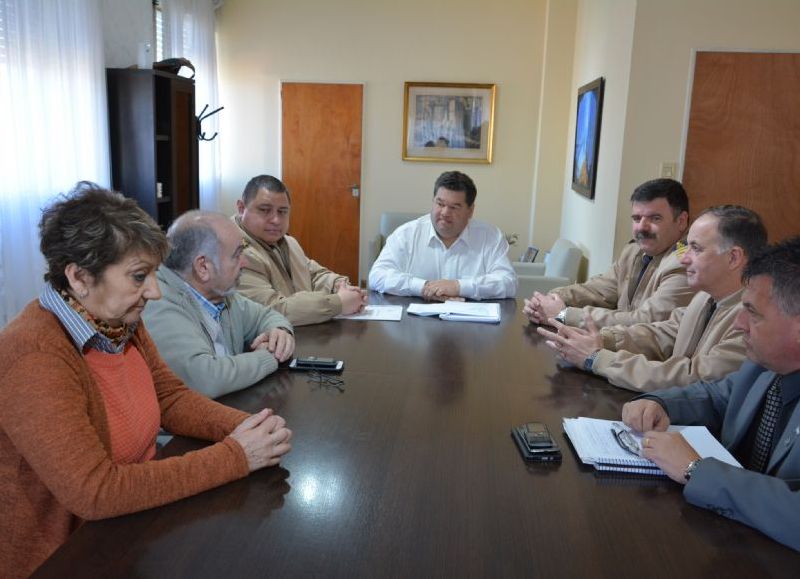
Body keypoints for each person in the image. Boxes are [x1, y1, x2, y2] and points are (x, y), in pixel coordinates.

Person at [0, 184, 292, 578]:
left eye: (154, 274)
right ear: (79, 277)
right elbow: (96, 491)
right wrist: (237, 456)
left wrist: (246, 427)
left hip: (131, 527)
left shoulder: (118, 321)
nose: (154, 292)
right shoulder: (34, 355)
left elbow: (169, 398)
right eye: (140, 276)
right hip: (65, 556)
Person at [621, 237, 800, 551]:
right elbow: (719, 396)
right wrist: (660, 401)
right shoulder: (765, 364)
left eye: (753, 313)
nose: (739, 325)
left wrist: (695, 470)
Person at [539, 206, 766, 391]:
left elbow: (694, 377)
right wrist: (600, 339)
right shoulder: (706, 297)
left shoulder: (754, 320)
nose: (684, 258)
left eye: (695, 249)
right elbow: (660, 334)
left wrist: (597, 359)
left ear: (734, 257)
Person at [142, 210, 295, 398]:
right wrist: (270, 356)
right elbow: (205, 379)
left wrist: (279, 331)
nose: (244, 262)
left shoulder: (222, 296)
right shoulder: (158, 303)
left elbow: (266, 315)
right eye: (237, 255)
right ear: (203, 267)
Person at [524, 178, 695, 328]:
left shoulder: (686, 264)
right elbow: (598, 289)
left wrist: (563, 314)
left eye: (655, 218)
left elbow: (646, 321)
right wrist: (551, 299)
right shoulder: (634, 250)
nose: (642, 227)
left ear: (681, 221)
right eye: (636, 218)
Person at [234, 174, 367, 326]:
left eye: (282, 211)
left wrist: (340, 285)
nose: (276, 220)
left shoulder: (287, 242)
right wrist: (339, 303)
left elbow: (313, 274)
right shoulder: (233, 252)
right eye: (265, 210)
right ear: (241, 208)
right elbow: (273, 311)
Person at [368, 171, 517, 300]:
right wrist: (422, 287)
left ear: (470, 210)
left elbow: (508, 282)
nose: (445, 213)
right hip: (416, 325)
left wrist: (458, 286)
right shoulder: (406, 234)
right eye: (440, 204)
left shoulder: (490, 237)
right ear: (433, 202)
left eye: (454, 207)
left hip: (472, 326)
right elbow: (377, 276)